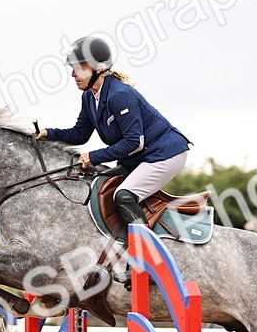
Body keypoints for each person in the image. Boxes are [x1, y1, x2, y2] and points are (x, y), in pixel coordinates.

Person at [36, 36, 190, 285]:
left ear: (97, 69)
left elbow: (134, 142)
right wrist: (49, 134)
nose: (72, 75)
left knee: (124, 195)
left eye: (78, 68)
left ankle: (147, 262)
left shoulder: (120, 94)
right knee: (98, 184)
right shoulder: (90, 97)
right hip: (141, 156)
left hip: (165, 153)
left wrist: (95, 156)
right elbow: (80, 134)